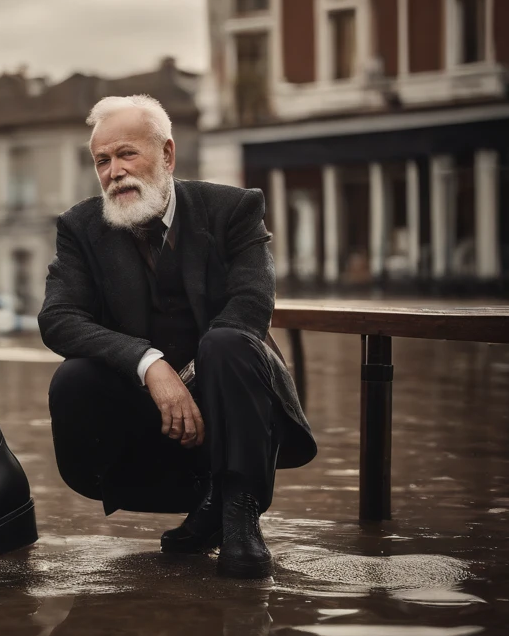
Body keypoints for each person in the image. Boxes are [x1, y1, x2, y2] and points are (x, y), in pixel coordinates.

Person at [37, 94, 317, 579]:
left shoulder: (233, 209)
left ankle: (239, 516)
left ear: (166, 154)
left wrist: (193, 380)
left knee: (226, 342)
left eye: (127, 154)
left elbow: (252, 305)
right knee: (75, 375)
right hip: (146, 410)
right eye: (102, 161)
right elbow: (57, 317)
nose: (114, 171)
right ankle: (199, 501)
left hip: (235, 389)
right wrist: (149, 365)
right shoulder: (81, 226)